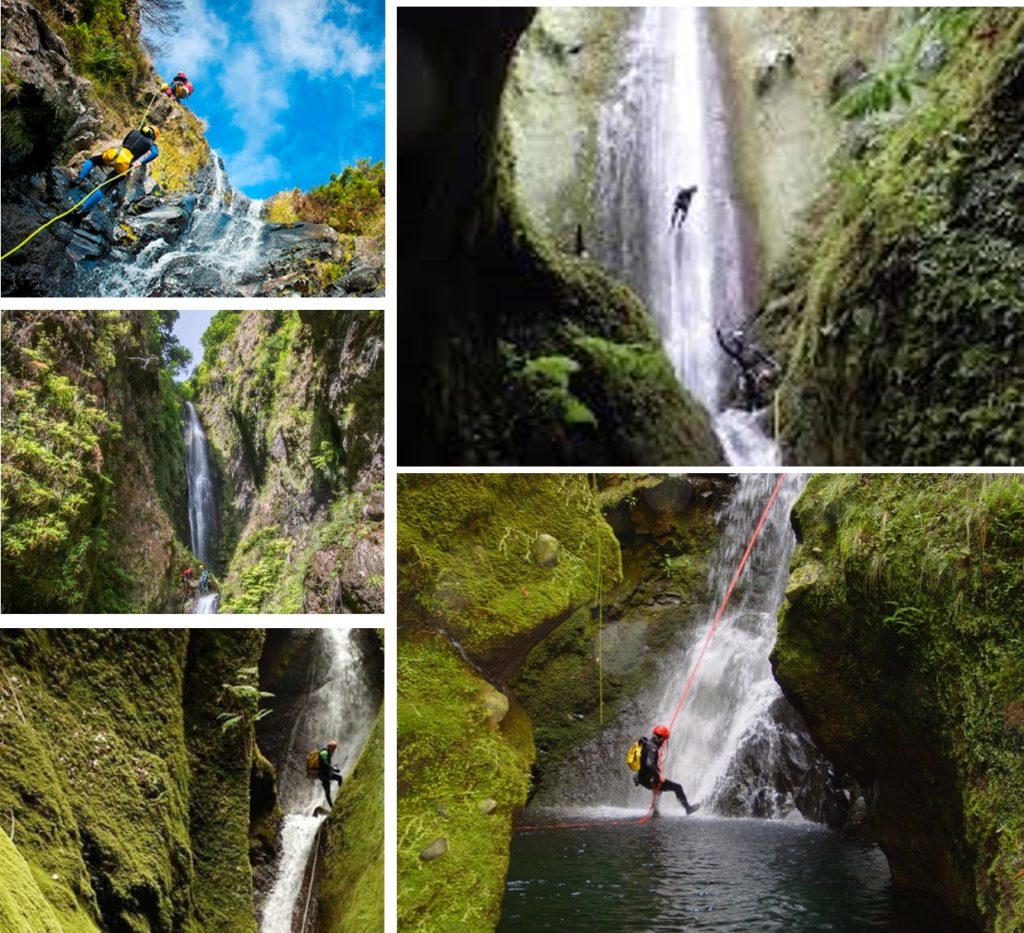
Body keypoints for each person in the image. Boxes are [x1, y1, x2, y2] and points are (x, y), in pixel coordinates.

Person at [75, 126, 160, 216]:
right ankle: (82, 211)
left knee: (92, 160)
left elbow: (124, 142)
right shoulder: (151, 143)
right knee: (104, 188)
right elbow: (155, 153)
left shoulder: (134, 131)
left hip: (114, 153)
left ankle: (79, 179)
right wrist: (141, 162)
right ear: (154, 135)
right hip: (125, 163)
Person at [635, 724, 700, 815]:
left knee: (659, 789)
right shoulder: (653, 748)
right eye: (664, 740)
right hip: (648, 779)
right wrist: (658, 776)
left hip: (641, 777)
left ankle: (655, 811)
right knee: (677, 787)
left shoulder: (646, 743)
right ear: (661, 739)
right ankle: (688, 808)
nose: (664, 742)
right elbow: (649, 764)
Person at [715, 326, 778, 412]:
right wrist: (719, 337)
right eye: (736, 340)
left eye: (739, 339)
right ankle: (753, 409)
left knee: (757, 397)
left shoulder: (751, 350)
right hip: (748, 379)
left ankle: (761, 405)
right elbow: (725, 348)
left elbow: (764, 358)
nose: (738, 342)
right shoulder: (738, 354)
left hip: (755, 377)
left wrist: (773, 364)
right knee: (750, 399)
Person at [318, 740, 344, 806]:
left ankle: (333, 805)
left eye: (334, 749)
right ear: (329, 747)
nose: (333, 750)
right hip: (324, 775)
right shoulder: (324, 752)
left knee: (328, 791)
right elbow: (324, 762)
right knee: (339, 778)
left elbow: (325, 765)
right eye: (333, 748)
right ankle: (333, 804)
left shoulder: (327, 753)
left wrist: (332, 769)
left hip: (325, 774)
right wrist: (333, 769)